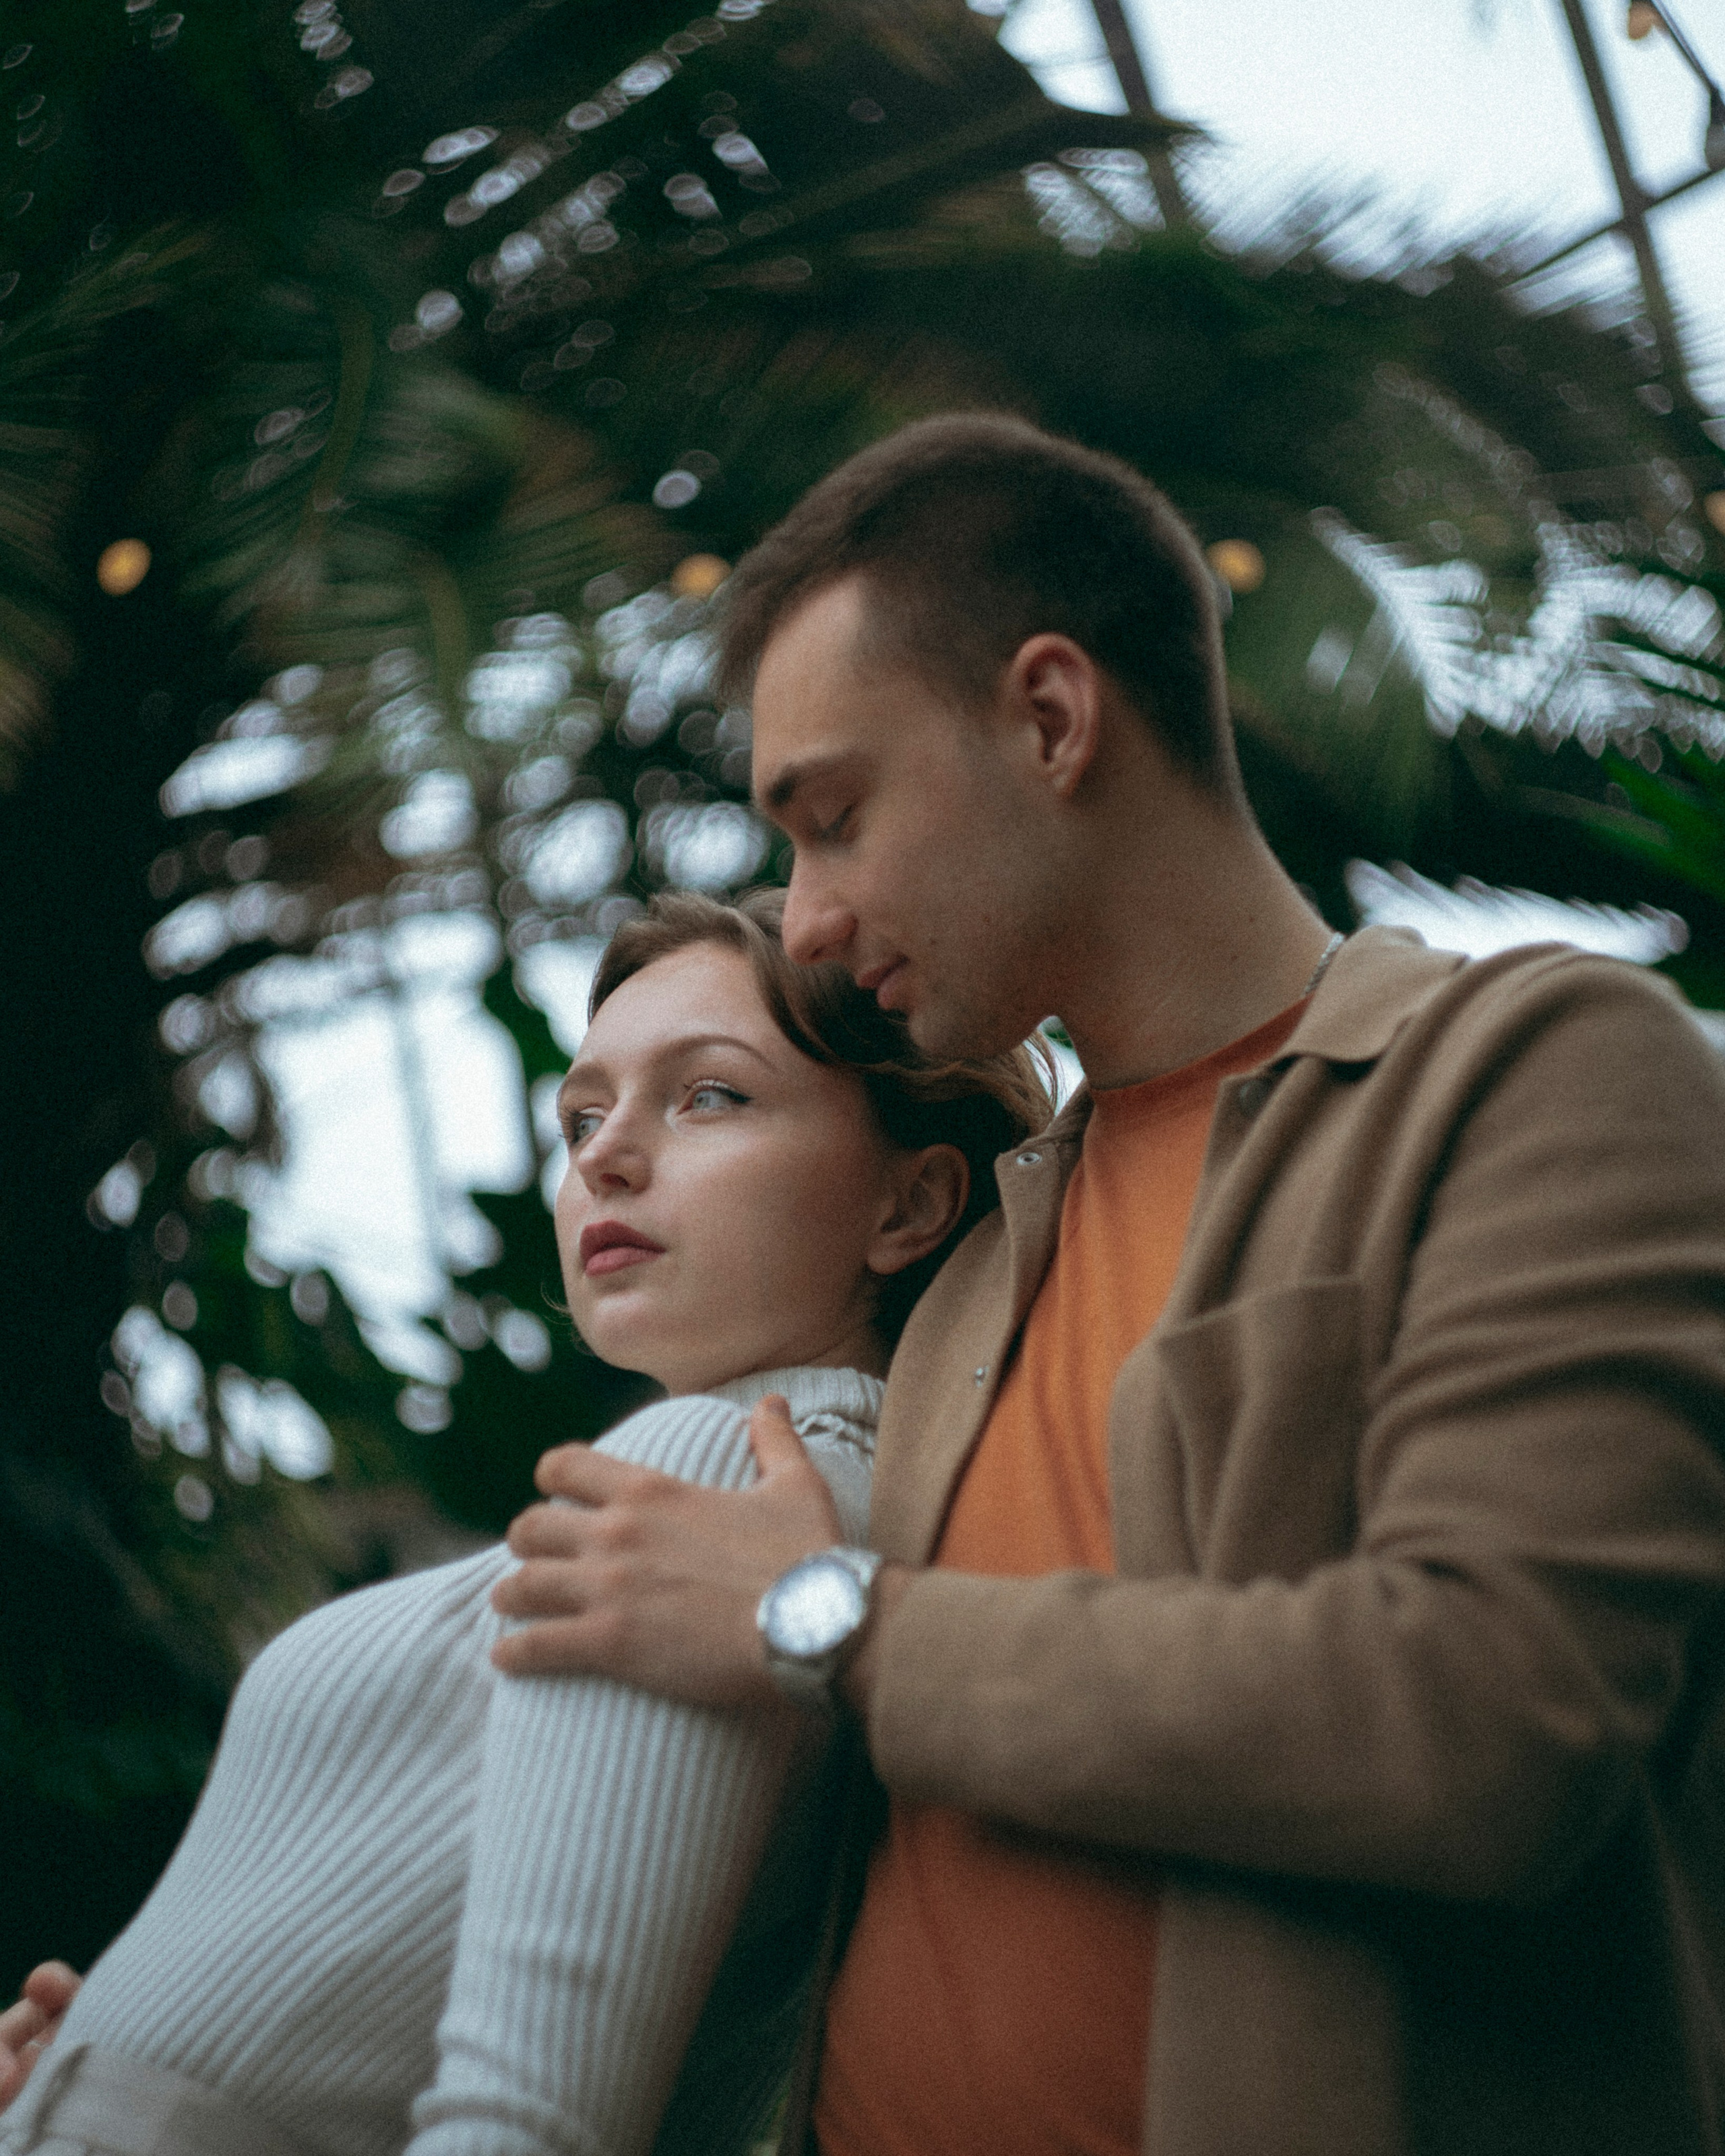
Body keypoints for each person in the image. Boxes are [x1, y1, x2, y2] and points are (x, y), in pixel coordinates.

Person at [487, 413, 1725, 2156]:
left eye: (834, 821)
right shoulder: (981, 1249)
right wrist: (213, 2059)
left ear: (1053, 719)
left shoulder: (1534, 1069)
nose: (812, 925)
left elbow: (1489, 1722)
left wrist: (832, 1621)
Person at [0, 889, 1048, 2156]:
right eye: (583, 1116)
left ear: (911, 1207)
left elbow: (530, 2124)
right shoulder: (813, 1511)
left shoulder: (714, 1473)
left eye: (709, 1094)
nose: (603, 1156)